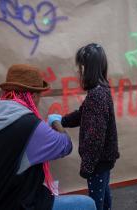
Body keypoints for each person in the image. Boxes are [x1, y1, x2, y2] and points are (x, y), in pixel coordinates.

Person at [0, 64, 96, 210]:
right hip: (15, 204)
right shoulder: (30, 126)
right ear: (33, 95)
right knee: (87, 204)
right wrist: (56, 122)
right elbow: (66, 145)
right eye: (39, 96)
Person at [48, 43, 120, 210]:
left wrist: (87, 166)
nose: (78, 72)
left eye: (81, 67)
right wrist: (62, 120)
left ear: (89, 69)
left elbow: (95, 136)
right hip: (104, 158)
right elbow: (83, 114)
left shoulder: (97, 95)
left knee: (94, 201)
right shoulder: (101, 90)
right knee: (103, 193)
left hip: (98, 161)